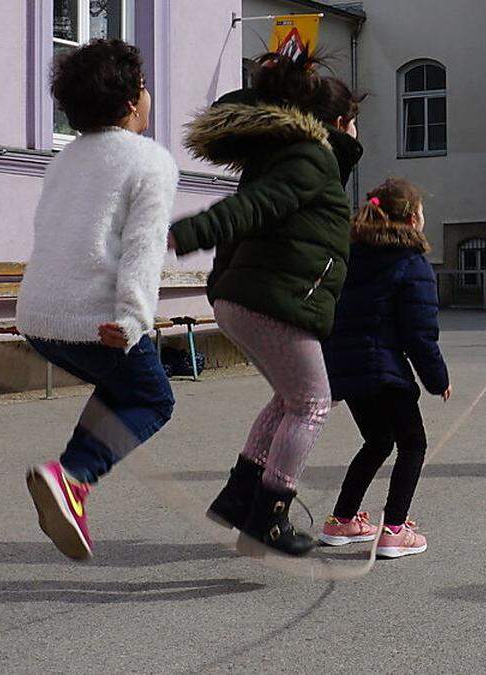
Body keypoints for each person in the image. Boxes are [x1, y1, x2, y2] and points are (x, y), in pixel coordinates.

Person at [169, 52, 365, 557]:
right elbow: (250, 210)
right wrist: (189, 232)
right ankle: (270, 516)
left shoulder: (291, 158)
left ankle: (242, 498)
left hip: (249, 299)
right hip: (274, 302)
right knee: (313, 405)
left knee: (288, 401)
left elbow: (258, 214)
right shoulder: (311, 158)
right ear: (341, 123)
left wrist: (221, 290)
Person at [20, 39, 179, 561]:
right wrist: (135, 319)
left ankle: (69, 477)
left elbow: (48, 231)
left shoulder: (64, 157)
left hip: (40, 318)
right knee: (153, 398)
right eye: (144, 86)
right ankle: (72, 475)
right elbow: (142, 249)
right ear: (133, 102)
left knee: (123, 386)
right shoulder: (149, 160)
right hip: (97, 321)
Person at [318, 178, 451, 559]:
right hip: (385, 371)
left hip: (349, 369)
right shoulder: (412, 262)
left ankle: (342, 519)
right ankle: (394, 528)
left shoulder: (350, 256)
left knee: (377, 441)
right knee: (414, 444)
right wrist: (437, 378)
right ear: (412, 218)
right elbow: (419, 332)